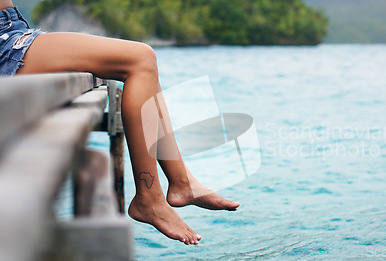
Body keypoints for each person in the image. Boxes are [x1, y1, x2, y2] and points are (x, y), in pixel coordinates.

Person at [0, 0, 240, 245]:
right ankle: (151, 199)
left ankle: (180, 182)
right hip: (5, 41)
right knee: (140, 58)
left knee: (144, 67)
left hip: (13, 30)